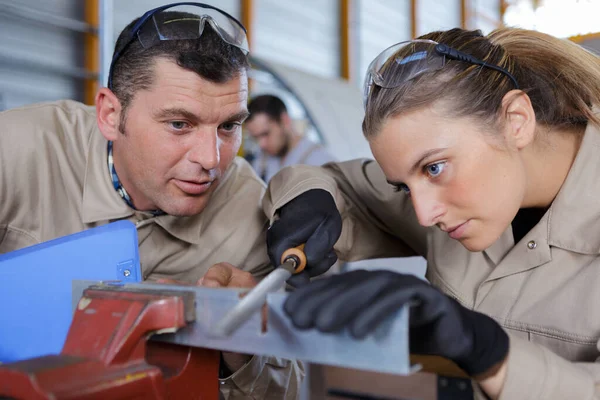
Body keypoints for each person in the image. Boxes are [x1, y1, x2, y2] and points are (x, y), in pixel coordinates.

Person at [263, 26, 600, 399]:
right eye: (403, 187)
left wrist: (489, 353)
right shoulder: (457, 194)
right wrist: (307, 200)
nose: (423, 215)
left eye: (434, 168)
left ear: (516, 120)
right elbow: (336, 183)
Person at [0, 3, 301, 399]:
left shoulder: (251, 217)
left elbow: (288, 389)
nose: (211, 159)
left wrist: (241, 349)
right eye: (179, 124)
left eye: (229, 126)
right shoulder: (16, 151)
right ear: (110, 114)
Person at [244, 94, 335, 182]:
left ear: (285, 120)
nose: (261, 144)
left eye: (265, 134)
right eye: (255, 138)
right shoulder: (261, 159)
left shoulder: (320, 162)